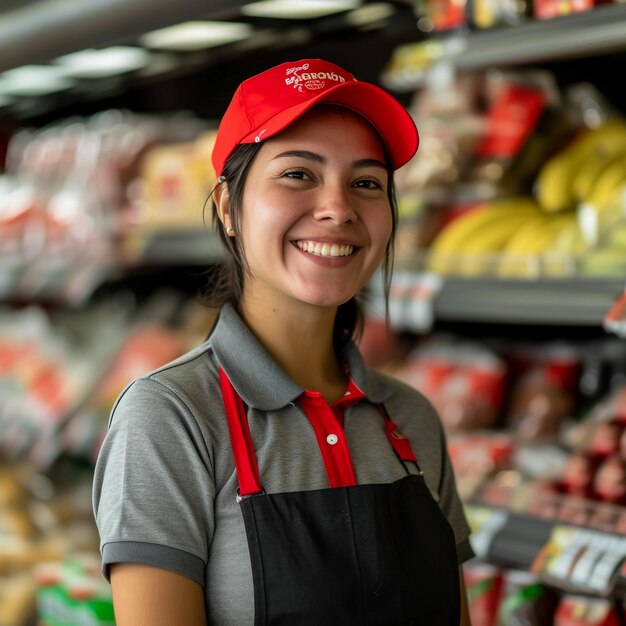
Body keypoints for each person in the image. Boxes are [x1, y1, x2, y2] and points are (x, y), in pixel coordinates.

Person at [92, 58, 474, 625]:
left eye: (366, 183)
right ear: (228, 208)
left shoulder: (410, 419)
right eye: (298, 174)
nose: (338, 209)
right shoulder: (171, 418)